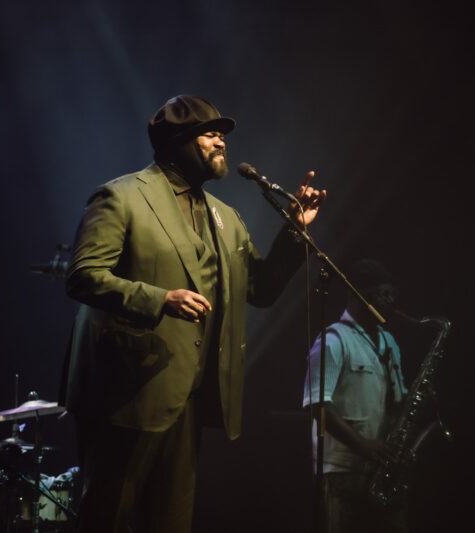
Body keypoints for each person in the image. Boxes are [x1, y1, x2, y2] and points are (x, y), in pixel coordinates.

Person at [61, 94, 326, 532]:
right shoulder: (122, 196)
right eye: (209, 132)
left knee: (170, 522)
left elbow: (259, 288)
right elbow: (83, 276)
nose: (221, 140)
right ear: (177, 142)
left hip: (189, 398)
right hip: (125, 393)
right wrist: (159, 299)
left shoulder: (226, 217)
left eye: (222, 133)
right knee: (107, 517)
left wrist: (294, 232)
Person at [303, 259, 409, 533]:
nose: (389, 302)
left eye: (392, 295)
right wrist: (363, 444)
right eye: (381, 294)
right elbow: (318, 408)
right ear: (357, 294)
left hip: (379, 471)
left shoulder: (389, 342)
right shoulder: (333, 340)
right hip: (340, 472)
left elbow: (397, 404)